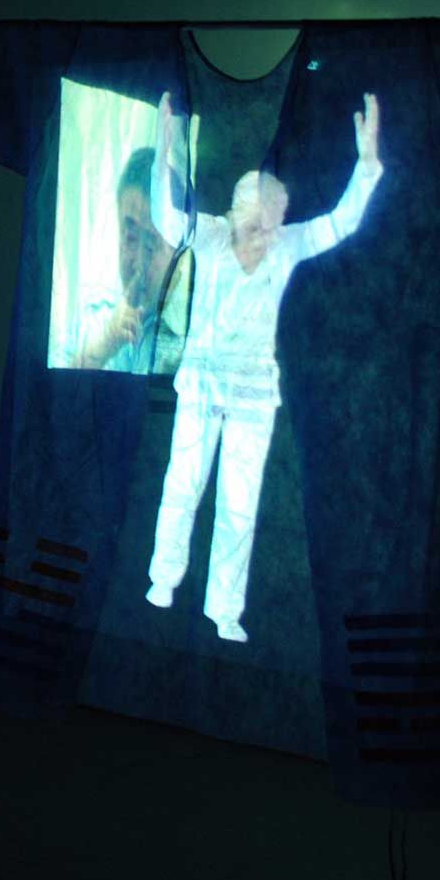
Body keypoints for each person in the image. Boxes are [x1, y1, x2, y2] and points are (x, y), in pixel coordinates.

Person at [144, 90, 383, 642]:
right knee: (182, 484)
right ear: (236, 211)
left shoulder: (289, 245)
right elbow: (167, 217)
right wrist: (163, 155)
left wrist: (368, 167)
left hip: (253, 394)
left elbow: (341, 223)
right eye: (254, 216)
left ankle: (224, 609)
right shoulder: (208, 234)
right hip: (203, 382)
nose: (263, 229)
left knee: (239, 502)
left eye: (271, 219)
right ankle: (163, 578)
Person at [73, 146, 191, 373]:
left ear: (181, 251)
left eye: (152, 245)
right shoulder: (93, 316)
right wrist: (105, 343)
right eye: (130, 237)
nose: (138, 264)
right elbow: (49, 391)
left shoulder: (200, 329)